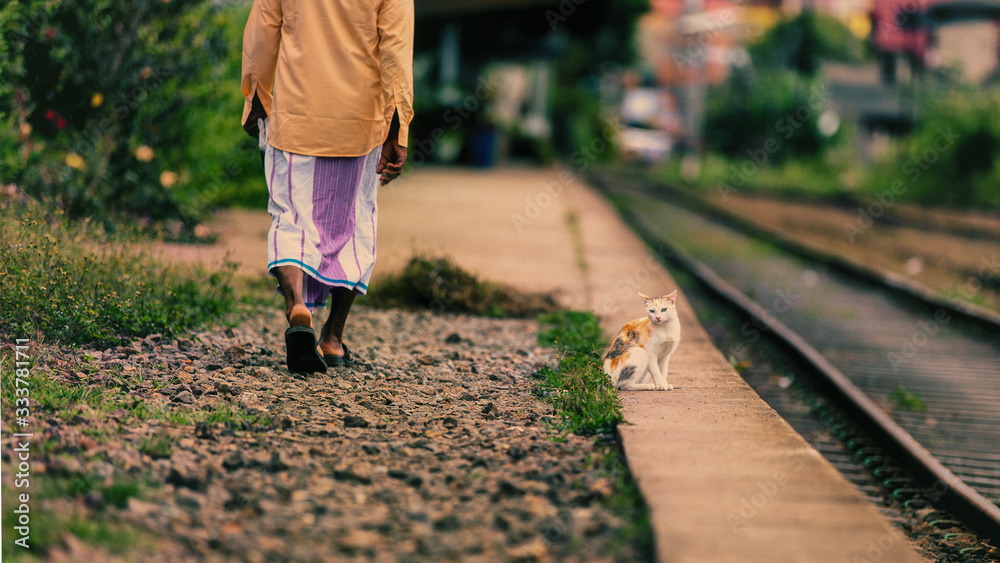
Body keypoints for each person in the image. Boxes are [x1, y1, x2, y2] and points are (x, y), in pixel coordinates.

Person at [240, 0, 413, 373]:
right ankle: (333, 339)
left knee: (291, 217)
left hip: (294, 115)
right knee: (353, 226)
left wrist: (254, 96)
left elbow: (262, 33)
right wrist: (399, 125)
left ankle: (297, 305)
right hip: (361, 123)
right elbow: (395, 50)